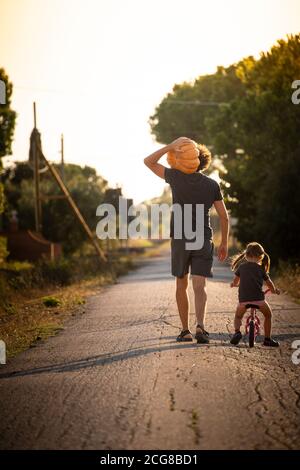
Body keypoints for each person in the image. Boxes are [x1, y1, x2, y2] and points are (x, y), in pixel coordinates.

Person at [144, 137, 229, 343]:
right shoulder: (212, 184)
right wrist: (224, 243)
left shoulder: (175, 177)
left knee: (181, 285)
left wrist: (169, 147)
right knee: (200, 286)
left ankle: (185, 331)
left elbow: (148, 161)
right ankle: (201, 327)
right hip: (203, 238)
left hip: (181, 238)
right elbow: (224, 216)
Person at [230, 242, 280, 347]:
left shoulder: (242, 267)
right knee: (268, 315)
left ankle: (237, 332)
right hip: (259, 300)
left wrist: (234, 284)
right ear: (261, 257)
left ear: (246, 255)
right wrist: (274, 290)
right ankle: (267, 339)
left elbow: (235, 281)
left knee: (238, 316)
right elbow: (269, 283)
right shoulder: (261, 269)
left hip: (243, 300)